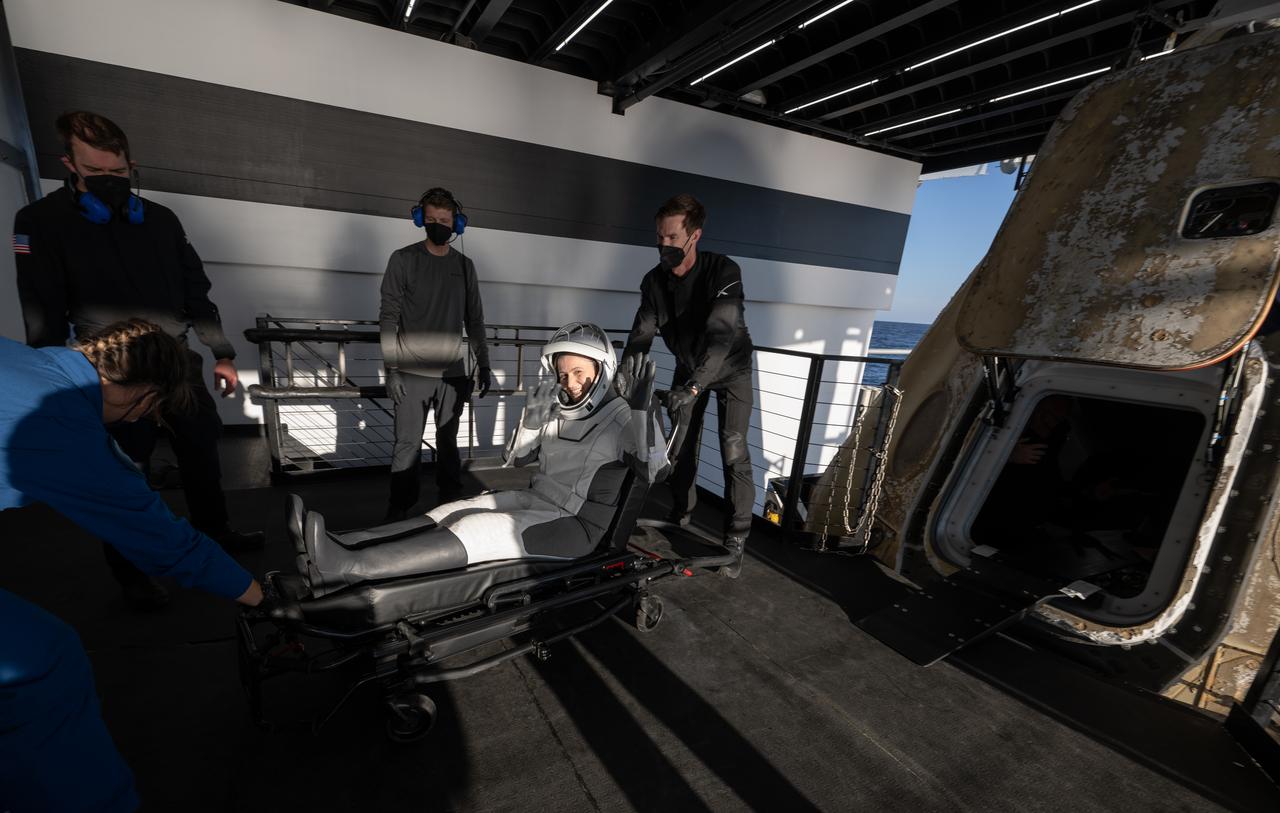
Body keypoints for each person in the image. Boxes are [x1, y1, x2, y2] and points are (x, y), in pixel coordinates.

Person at [0, 319, 264, 813]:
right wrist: (263, 596)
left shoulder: (27, 361)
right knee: (41, 663)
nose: (138, 421)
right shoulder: (64, 424)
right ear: (142, 393)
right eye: (152, 411)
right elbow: (164, 541)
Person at [13, 111, 263, 611]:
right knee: (124, 474)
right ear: (70, 165)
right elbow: (40, 308)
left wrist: (223, 353)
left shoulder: (163, 220)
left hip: (177, 364)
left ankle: (215, 534)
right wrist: (58, 387)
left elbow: (197, 290)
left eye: (117, 173)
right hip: (111, 374)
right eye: (95, 173)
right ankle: (130, 572)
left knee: (202, 456)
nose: (109, 182)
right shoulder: (39, 223)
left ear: (132, 166)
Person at [300, 323, 666, 594]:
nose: (569, 383)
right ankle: (346, 541)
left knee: (472, 529)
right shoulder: (559, 408)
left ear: (602, 370)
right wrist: (532, 418)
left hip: (575, 525)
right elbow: (516, 460)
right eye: (563, 374)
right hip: (538, 497)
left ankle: (349, 566)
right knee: (454, 512)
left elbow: (653, 469)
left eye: (579, 374)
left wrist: (641, 411)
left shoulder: (622, 416)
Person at [622, 193, 755, 577]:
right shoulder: (653, 282)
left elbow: (720, 336)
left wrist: (693, 388)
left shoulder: (723, 271)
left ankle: (737, 539)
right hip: (687, 365)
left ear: (694, 236)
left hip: (730, 369)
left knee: (733, 450)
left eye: (672, 239)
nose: (664, 246)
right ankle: (681, 514)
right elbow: (640, 337)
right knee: (677, 449)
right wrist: (621, 379)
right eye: (659, 238)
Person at [380, 187, 493, 522]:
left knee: (448, 445)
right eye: (431, 220)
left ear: (456, 223)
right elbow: (388, 316)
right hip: (411, 373)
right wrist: (392, 369)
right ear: (420, 220)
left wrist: (484, 364)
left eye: (444, 220)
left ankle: (449, 507)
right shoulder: (403, 260)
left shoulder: (465, 266)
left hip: (452, 375)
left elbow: (475, 319)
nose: (438, 225)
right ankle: (399, 510)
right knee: (407, 446)